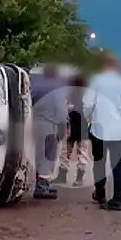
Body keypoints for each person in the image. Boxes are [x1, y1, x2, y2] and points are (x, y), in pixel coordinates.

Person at [83, 56, 121, 211]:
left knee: (99, 162)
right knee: (117, 164)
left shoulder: (96, 81)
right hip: (118, 131)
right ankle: (118, 200)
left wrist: (87, 119)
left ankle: (100, 194)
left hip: (98, 129)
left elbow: (88, 104)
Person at [30, 64, 68, 199]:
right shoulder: (57, 88)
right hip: (51, 124)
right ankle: (43, 187)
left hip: (37, 123)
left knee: (40, 155)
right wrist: (63, 128)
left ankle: (41, 184)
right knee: (48, 156)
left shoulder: (37, 86)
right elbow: (61, 110)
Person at [55, 70, 90, 187]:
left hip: (70, 125)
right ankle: (79, 178)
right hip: (82, 126)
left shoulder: (70, 94)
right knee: (82, 152)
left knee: (66, 152)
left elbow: (64, 108)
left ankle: (62, 176)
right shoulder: (87, 94)